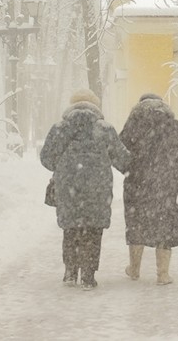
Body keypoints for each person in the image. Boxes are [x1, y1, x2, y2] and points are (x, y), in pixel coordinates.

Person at [40, 88, 130, 290]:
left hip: (68, 186)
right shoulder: (104, 129)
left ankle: (70, 271)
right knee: (93, 229)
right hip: (97, 187)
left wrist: (64, 166)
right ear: (95, 106)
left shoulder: (60, 128)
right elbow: (122, 160)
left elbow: (46, 157)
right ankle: (88, 275)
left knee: (71, 228)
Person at [119, 93, 178, 285]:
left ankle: (134, 269)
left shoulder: (133, 125)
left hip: (138, 184)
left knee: (137, 225)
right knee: (165, 228)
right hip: (168, 184)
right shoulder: (173, 126)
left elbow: (119, 153)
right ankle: (162, 274)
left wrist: (130, 170)